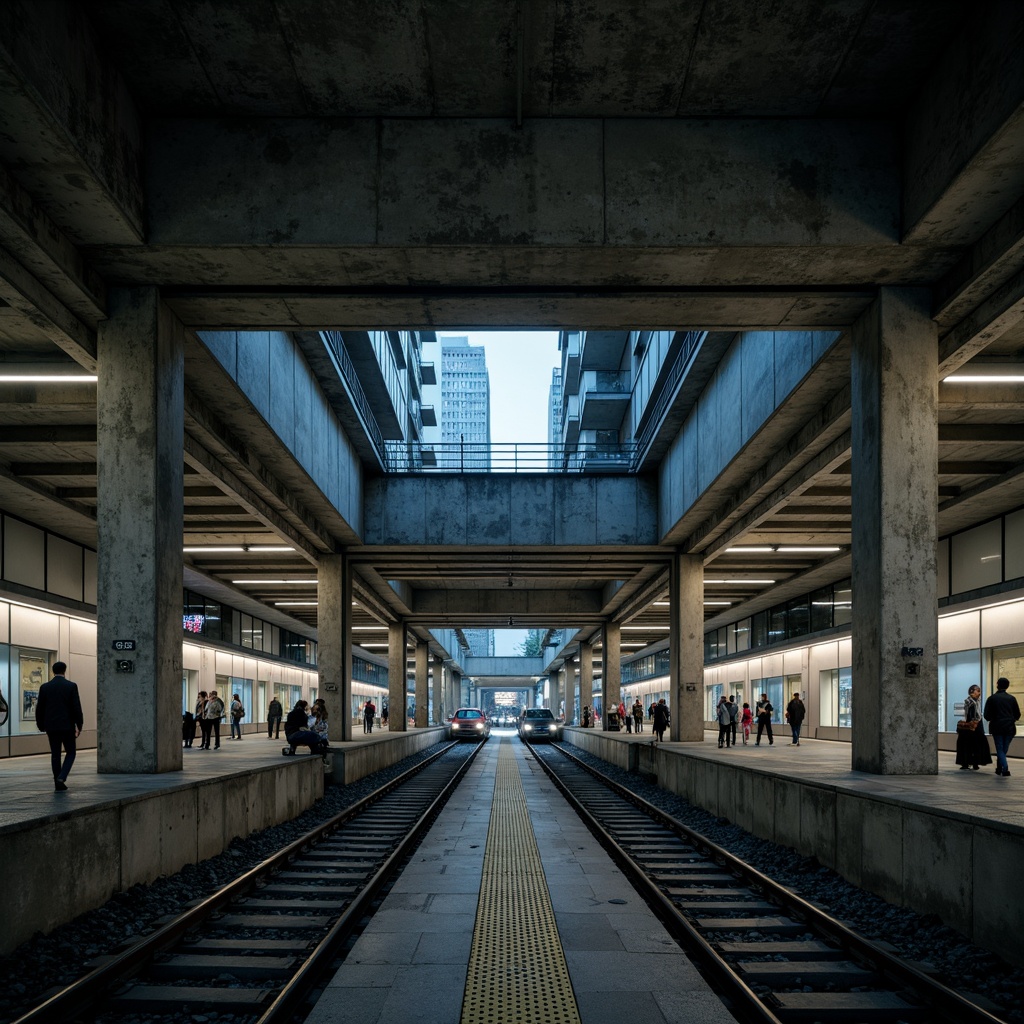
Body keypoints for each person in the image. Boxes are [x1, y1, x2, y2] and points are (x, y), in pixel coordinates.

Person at [34, 661, 83, 791]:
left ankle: (57, 782)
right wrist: (79, 724)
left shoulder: (45, 687)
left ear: (53, 671)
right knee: (71, 752)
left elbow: (40, 708)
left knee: (55, 754)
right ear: (64, 670)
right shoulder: (71, 686)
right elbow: (76, 707)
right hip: (67, 726)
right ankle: (62, 776)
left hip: (51, 726)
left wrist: (40, 724)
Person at [984, 677, 1021, 777]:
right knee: (1004, 749)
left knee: (1000, 748)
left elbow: (986, 715)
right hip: (1009, 727)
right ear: (1007, 686)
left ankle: (1005, 768)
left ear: (997, 684)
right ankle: (999, 767)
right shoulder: (1012, 699)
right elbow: (1017, 714)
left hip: (997, 727)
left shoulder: (992, 698)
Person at [955, 684, 992, 771]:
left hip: (975, 726)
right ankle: (969, 763)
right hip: (971, 727)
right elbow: (968, 715)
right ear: (972, 692)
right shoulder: (970, 702)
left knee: (973, 745)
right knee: (971, 745)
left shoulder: (976, 701)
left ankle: (972, 762)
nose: (979, 693)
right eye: (977, 691)